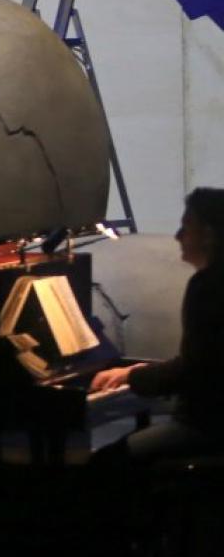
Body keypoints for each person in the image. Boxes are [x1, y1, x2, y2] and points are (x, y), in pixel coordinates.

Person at [93, 188, 224, 466]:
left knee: (107, 461)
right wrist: (137, 371)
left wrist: (134, 378)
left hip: (207, 426)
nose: (177, 236)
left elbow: (194, 370)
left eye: (187, 227)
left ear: (209, 235)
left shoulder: (208, 287)